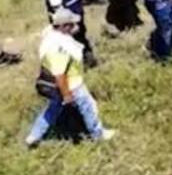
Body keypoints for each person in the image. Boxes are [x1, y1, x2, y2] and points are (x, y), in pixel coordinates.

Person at [25, 8, 116, 148]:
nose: (75, 26)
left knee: (52, 110)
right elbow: (59, 73)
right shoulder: (60, 47)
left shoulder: (50, 36)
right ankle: (98, 134)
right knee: (89, 107)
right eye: (71, 24)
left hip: (55, 86)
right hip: (71, 85)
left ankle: (34, 136)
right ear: (62, 26)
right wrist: (66, 94)